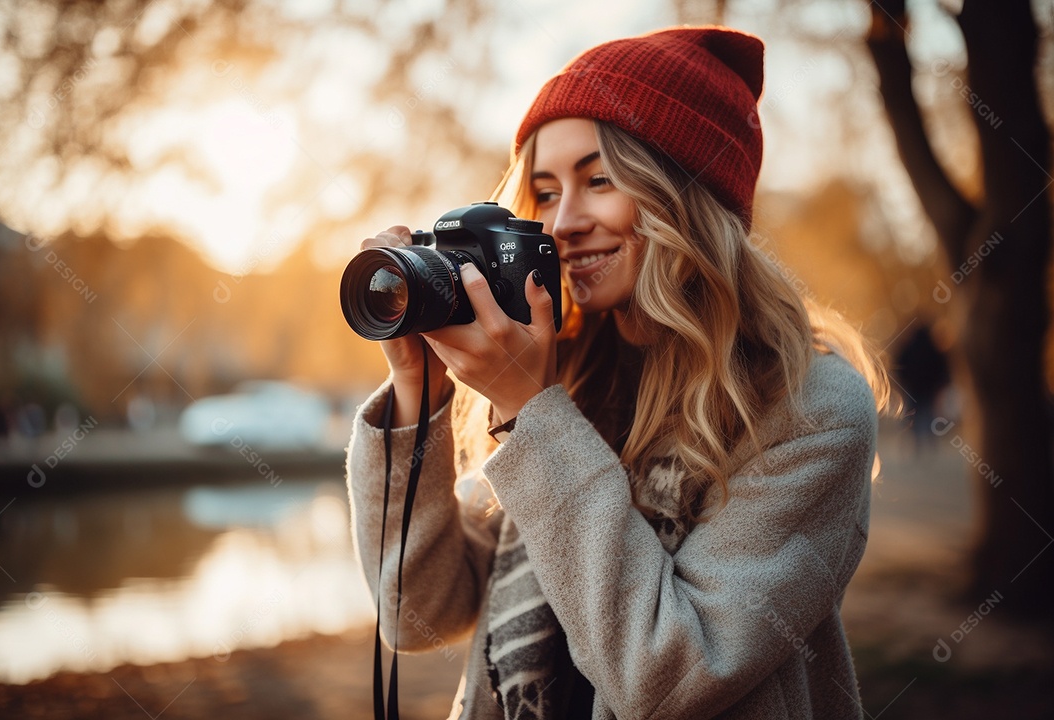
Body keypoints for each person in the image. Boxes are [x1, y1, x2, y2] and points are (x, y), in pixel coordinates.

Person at [346, 26, 891, 720]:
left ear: (687, 197)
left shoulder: (808, 407)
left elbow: (669, 677)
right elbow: (417, 611)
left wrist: (529, 410)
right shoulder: (566, 373)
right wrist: (416, 396)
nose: (564, 222)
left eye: (599, 180)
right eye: (543, 192)